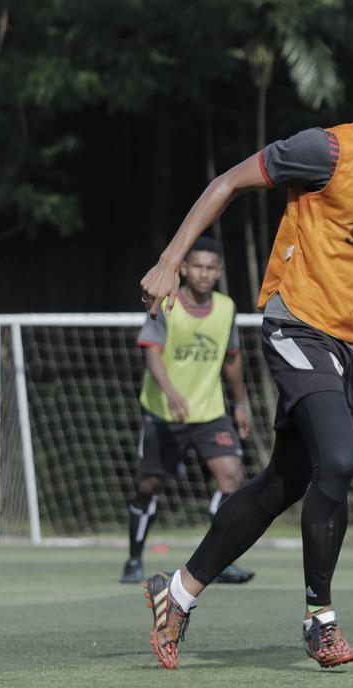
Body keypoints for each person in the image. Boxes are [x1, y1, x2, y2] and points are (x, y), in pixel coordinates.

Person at [138, 46, 353, 670]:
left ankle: (179, 592)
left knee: (284, 482)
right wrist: (170, 260)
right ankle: (319, 620)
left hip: (352, 348)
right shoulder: (325, 150)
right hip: (296, 324)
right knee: (342, 457)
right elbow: (226, 183)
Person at [121, 236, 254, 586]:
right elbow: (151, 352)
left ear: (219, 271)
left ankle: (219, 559)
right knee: (151, 484)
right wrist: (171, 393)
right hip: (165, 412)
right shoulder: (166, 303)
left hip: (210, 412)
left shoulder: (226, 308)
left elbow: (232, 358)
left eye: (211, 268)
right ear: (183, 268)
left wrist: (241, 404)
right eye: (197, 266)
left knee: (231, 477)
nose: (204, 274)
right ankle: (133, 559)